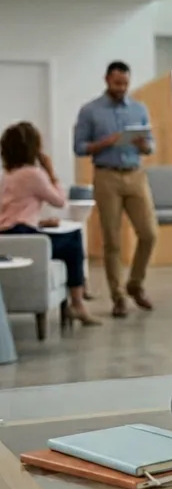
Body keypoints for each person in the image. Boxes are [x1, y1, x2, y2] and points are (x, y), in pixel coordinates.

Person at [73, 61, 158, 318]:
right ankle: (118, 296)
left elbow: (150, 146)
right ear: (107, 80)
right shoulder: (90, 111)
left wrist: (144, 145)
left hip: (135, 175)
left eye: (125, 83)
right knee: (112, 240)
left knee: (149, 233)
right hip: (106, 176)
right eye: (116, 83)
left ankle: (135, 284)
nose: (121, 88)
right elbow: (79, 147)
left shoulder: (139, 109)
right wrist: (105, 142)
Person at [0, 122, 102, 325]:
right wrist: (50, 171)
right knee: (74, 239)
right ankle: (78, 304)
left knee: (64, 239)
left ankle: (78, 299)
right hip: (24, 235)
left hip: (8, 234)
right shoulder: (33, 174)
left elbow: (11, 212)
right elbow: (59, 201)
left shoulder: (6, 177)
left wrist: (39, 222)